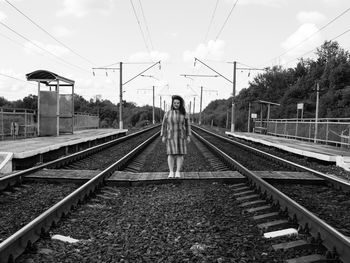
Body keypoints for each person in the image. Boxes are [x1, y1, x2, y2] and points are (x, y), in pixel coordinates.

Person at [161, 95, 191, 178]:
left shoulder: (184, 114)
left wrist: (188, 135)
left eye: (178, 103)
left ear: (180, 104)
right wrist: (163, 135)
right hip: (170, 136)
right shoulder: (167, 113)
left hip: (181, 136)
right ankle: (171, 172)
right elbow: (164, 125)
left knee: (180, 154)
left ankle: (177, 171)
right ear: (172, 103)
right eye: (175, 103)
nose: (176, 104)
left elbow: (188, 125)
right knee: (170, 154)